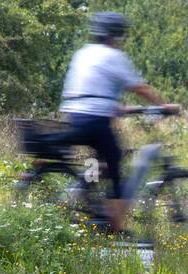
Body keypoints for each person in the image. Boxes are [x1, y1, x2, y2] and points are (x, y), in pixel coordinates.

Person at [59, 12, 177, 235]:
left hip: (76, 116)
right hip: (94, 119)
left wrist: (120, 109)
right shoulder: (114, 56)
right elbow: (140, 88)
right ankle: (116, 228)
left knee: (100, 163)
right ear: (116, 35)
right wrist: (164, 106)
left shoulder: (83, 53)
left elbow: (91, 91)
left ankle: (90, 206)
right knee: (115, 161)